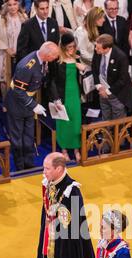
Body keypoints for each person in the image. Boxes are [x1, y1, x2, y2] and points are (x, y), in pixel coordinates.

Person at [4, 41, 59, 170]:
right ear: (47, 54)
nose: (56, 58)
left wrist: (56, 99)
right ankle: (20, 167)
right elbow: (18, 91)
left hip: (28, 103)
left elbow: (47, 81)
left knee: (29, 135)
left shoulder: (43, 61)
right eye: (55, 55)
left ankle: (29, 164)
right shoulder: (27, 66)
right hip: (17, 104)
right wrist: (33, 105)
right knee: (17, 137)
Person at [50, 33, 85, 162]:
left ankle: (76, 148)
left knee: (76, 120)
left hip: (75, 93)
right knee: (64, 121)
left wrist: (80, 67)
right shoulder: (56, 59)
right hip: (62, 95)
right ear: (63, 47)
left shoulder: (77, 57)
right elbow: (51, 81)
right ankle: (64, 149)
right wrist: (56, 98)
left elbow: (84, 74)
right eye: (69, 47)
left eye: (73, 46)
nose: (72, 49)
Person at [92, 34, 132, 120]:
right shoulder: (97, 51)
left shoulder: (121, 57)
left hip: (117, 94)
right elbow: (94, 68)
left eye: (98, 48)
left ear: (107, 48)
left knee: (118, 122)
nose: (96, 49)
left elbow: (122, 80)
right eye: (96, 46)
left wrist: (107, 91)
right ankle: (106, 133)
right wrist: (99, 86)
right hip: (102, 91)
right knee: (105, 118)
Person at [0, 0, 28, 103]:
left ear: (18, 5)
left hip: (21, 54)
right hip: (5, 53)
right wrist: (7, 49)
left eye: (15, 4)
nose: (13, 7)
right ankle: (6, 102)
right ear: (6, 6)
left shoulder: (24, 17)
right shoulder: (2, 18)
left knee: (20, 78)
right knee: (5, 79)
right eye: (10, 5)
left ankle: (19, 101)